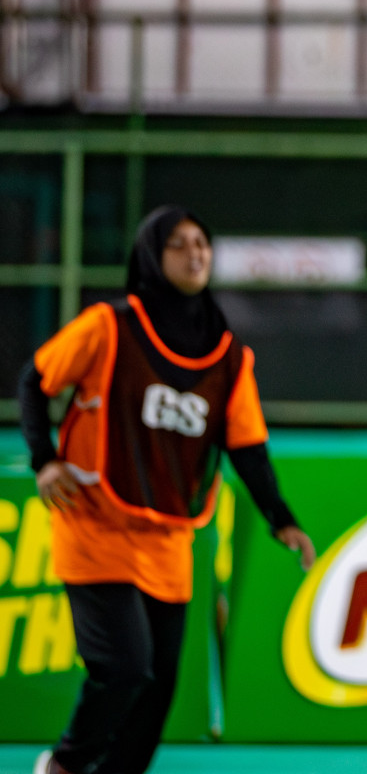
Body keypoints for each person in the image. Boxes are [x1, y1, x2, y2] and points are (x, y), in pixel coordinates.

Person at [19, 206, 315, 774]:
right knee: (126, 667)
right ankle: (62, 765)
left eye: (202, 242)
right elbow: (37, 379)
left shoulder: (228, 356)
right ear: (153, 255)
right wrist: (44, 459)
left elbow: (246, 447)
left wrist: (282, 518)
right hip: (96, 523)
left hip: (168, 538)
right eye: (178, 244)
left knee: (159, 692)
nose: (195, 253)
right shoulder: (110, 326)